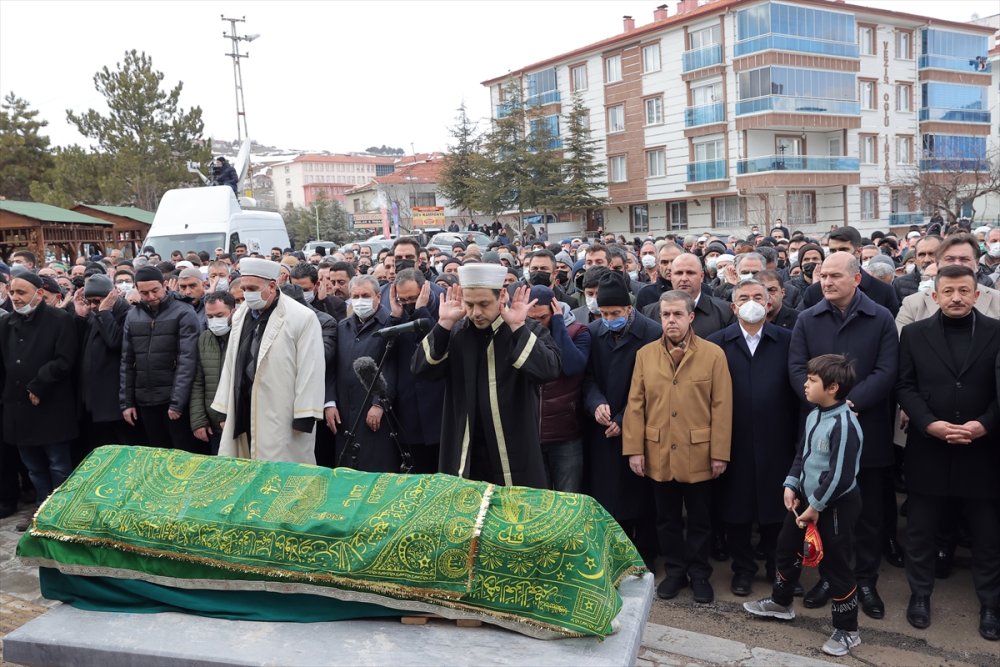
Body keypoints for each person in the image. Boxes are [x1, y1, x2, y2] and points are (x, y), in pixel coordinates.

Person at [788, 252, 898, 619]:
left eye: (836, 275)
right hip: (821, 433)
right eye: (823, 275)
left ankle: (866, 579)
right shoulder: (808, 318)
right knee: (826, 512)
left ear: (857, 279)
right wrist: (826, 405)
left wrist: (849, 404)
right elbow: (796, 367)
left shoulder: (880, 317)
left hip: (867, 426)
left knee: (866, 514)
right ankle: (829, 577)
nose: (827, 281)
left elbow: (886, 370)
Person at [896, 265, 1000, 640]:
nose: (956, 297)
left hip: (982, 449)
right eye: (948, 291)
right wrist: (929, 424)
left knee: (988, 534)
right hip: (929, 448)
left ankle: (990, 602)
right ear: (934, 296)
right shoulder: (913, 334)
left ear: (977, 295)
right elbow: (904, 385)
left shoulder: (996, 332)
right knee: (922, 531)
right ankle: (920, 595)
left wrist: (985, 424)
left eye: (964, 291)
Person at [743, 354, 864, 658]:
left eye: (812, 380)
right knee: (786, 548)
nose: (805, 384)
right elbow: (803, 455)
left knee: (836, 564)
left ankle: (848, 630)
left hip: (834, 505)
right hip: (806, 502)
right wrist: (790, 483)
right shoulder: (814, 415)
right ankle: (782, 603)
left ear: (833, 387)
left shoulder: (845, 424)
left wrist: (818, 506)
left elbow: (840, 475)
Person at [623, 290, 733, 604]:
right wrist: (635, 449)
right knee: (666, 518)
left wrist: (719, 453)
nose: (671, 321)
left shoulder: (713, 354)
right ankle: (674, 571)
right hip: (658, 450)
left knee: (700, 518)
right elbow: (635, 404)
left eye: (677, 315)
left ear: (690, 317)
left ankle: (699, 573)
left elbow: (722, 406)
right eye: (666, 315)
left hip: (699, 451)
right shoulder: (645, 355)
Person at [412, 263, 561, 488]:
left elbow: (549, 370)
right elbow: (420, 369)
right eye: (469, 304)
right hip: (465, 452)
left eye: (484, 304)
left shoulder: (524, 328)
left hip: (512, 451)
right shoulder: (456, 332)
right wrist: (443, 324)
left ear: (502, 295)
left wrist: (519, 327)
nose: (476, 313)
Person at [707, 280, 798, 597]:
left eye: (758, 296)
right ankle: (742, 569)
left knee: (778, 510)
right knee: (737, 510)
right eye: (743, 297)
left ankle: (779, 568)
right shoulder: (717, 343)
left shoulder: (788, 340)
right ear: (733, 307)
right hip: (733, 439)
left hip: (778, 437)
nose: (752, 302)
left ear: (770, 302)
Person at [213, 259, 325, 463]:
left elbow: (312, 369)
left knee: (280, 471)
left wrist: (305, 414)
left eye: (252, 288)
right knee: (244, 466)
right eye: (244, 288)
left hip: (281, 410)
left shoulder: (301, 317)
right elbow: (230, 363)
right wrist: (224, 409)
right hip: (243, 405)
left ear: (272, 286)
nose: (247, 294)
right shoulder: (241, 315)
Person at [120, 266, 202, 453]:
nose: (150, 297)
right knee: (157, 455)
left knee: (183, 454)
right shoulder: (133, 315)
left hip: (173, 400)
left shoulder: (183, 312)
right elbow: (127, 361)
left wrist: (177, 403)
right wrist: (127, 403)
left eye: (155, 290)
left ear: (165, 285)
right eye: (144, 293)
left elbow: (187, 361)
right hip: (145, 399)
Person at [329, 275, 400, 473]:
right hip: (344, 411)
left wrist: (379, 403)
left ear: (378, 296)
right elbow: (333, 368)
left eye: (365, 295)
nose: (360, 300)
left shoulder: (389, 324)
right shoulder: (343, 326)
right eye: (356, 296)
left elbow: (391, 367)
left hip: (373, 412)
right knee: (346, 471)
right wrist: (330, 402)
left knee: (375, 468)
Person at [528, 285, 591, 492]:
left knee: (568, 498)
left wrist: (557, 326)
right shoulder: (521, 332)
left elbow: (572, 366)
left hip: (565, 433)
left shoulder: (577, 332)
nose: (536, 324)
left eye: (542, 318)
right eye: (531, 319)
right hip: (530, 434)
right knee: (537, 502)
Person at [73, 274, 139, 461]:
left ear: (111, 295)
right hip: (94, 402)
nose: (94, 305)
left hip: (114, 402)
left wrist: (105, 312)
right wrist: (79, 317)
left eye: (98, 300)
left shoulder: (125, 313)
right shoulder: (96, 314)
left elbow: (115, 342)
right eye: (90, 301)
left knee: (122, 454)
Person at [386, 269, 445, 474]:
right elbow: (387, 354)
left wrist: (421, 310)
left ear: (424, 291)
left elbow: (436, 346)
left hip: (438, 412)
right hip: (409, 416)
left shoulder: (441, 313)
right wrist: (395, 315)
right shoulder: (397, 317)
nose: (408, 303)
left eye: (413, 297)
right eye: (403, 299)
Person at [800, 226, 899, 316]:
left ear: (859, 251)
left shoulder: (884, 292)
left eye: (843, 249)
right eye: (833, 251)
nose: (837, 255)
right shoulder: (814, 292)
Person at [189, 291, 236, 456]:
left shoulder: (243, 336)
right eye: (210, 316)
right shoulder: (205, 338)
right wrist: (198, 421)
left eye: (220, 315)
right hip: (213, 424)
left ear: (233, 312)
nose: (215, 321)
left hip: (238, 424)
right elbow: (198, 382)